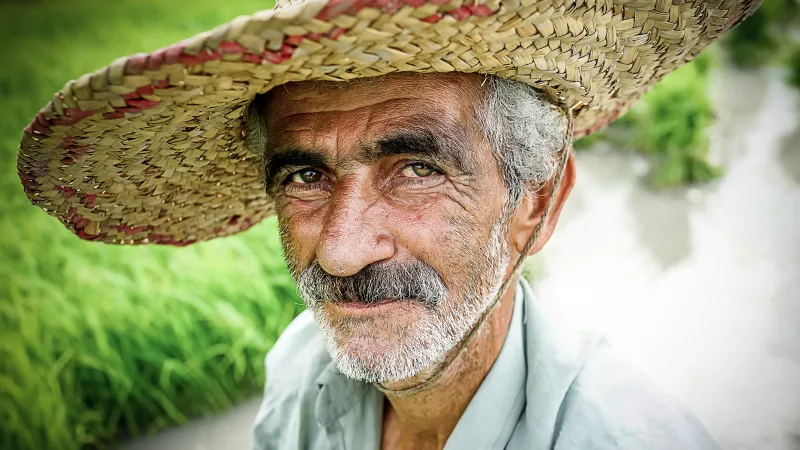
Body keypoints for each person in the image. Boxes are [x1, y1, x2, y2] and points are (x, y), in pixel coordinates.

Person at [16, 0, 761, 448]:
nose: (339, 250)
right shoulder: (299, 370)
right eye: (305, 176)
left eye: (417, 169)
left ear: (534, 201)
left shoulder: (629, 440)